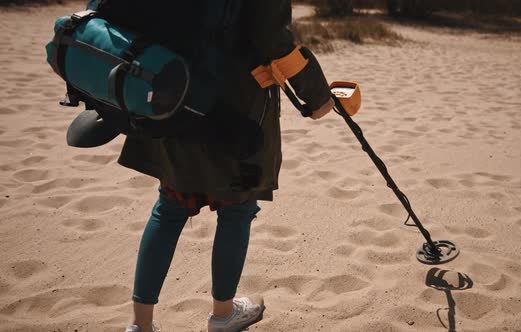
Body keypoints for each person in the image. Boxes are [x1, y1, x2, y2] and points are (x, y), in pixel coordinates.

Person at [90, 1, 336, 331]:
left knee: (169, 208)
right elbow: (272, 37)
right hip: (233, 110)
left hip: (168, 92)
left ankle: (140, 324)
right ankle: (223, 315)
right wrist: (318, 95)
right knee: (236, 209)